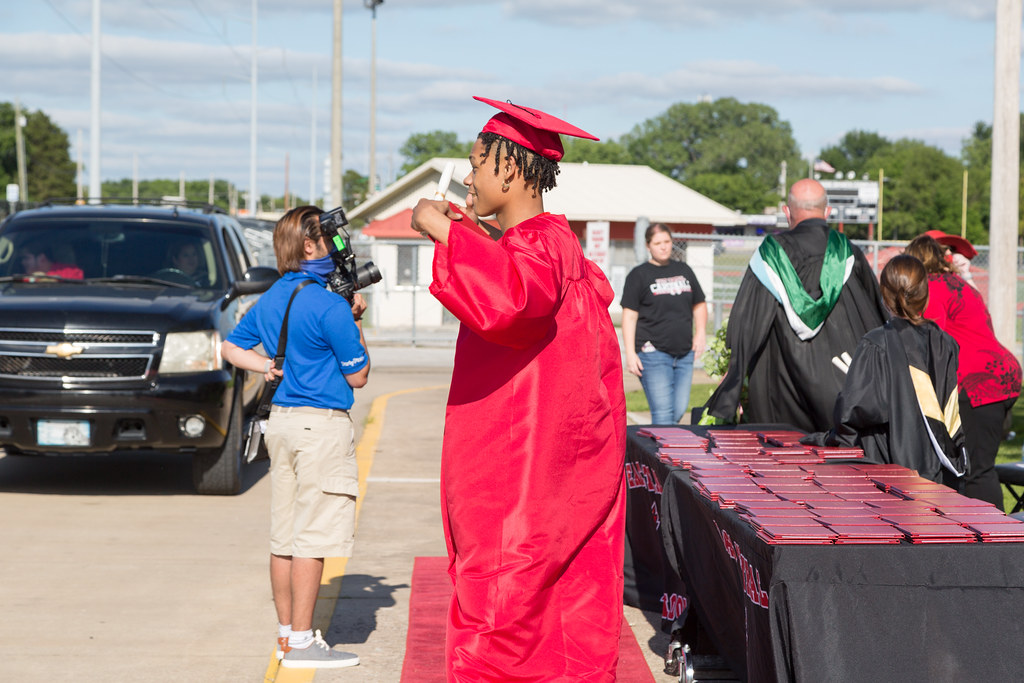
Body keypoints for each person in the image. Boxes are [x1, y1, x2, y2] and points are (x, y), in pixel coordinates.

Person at [409, 96, 626, 680]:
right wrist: (468, 235)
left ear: (507, 167)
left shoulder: (536, 248)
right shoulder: (557, 244)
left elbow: (511, 302)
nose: (469, 179)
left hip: (520, 476)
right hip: (557, 470)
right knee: (560, 612)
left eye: (475, 164)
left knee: (503, 617)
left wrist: (440, 229)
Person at [221, 205, 369, 670]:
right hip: (320, 427)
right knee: (314, 536)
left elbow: (230, 346)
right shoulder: (329, 304)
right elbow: (359, 375)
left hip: (281, 424)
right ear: (309, 246)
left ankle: (287, 635)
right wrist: (355, 320)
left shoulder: (273, 297)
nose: (335, 247)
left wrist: (267, 366)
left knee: (284, 535)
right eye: (328, 239)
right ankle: (304, 642)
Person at [702, 178, 888, 432]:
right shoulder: (848, 252)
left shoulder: (770, 255)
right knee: (842, 454)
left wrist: (734, 376)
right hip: (841, 380)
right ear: (827, 211)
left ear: (787, 212)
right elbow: (873, 315)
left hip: (780, 386)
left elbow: (746, 322)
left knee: (782, 451)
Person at [803, 255, 967, 486]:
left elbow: (855, 410)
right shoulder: (946, 343)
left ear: (885, 297)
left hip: (889, 469)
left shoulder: (876, 343)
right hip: (939, 468)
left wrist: (829, 439)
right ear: (925, 296)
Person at [905, 234, 1021, 506]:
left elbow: (932, 339)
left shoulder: (931, 287)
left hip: (980, 383)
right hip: (998, 376)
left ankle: (992, 532)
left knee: (975, 470)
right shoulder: (957, 283)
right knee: (973, 466)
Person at [621, 223, 708, 424]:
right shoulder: (639, 275)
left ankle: (659, 442)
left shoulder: (684, 270)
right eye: (657, 243)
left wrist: (701, 332)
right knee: (663, 415)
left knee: (678, 411)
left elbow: (699, 304)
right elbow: (629, 316)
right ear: (648, 246)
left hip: (684, 354)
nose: (663, 247)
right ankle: (659, 446)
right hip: (652, 353)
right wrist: (630, 353)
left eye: (667, 242)